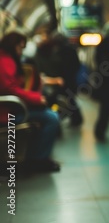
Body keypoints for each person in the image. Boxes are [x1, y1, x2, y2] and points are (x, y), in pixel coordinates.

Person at [0, 31, 61, 172]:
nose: (21, 52)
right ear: (12, 46)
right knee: (51, 117)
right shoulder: (5, 61)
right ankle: (38, 159)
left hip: (9, 108)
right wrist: (36, 98)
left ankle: (35, 156)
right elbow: (10, 89)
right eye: (20, 48)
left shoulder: (6, 59)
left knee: (45, 113)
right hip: (7, 112)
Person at [34, 31, 83, 126]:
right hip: (68, 79)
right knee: (70, 99)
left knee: (61, 100)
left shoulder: (53, 51)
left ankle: (65, 119)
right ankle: (75, 119)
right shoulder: (70, 49)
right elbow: (76, 65)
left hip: (59, 80)